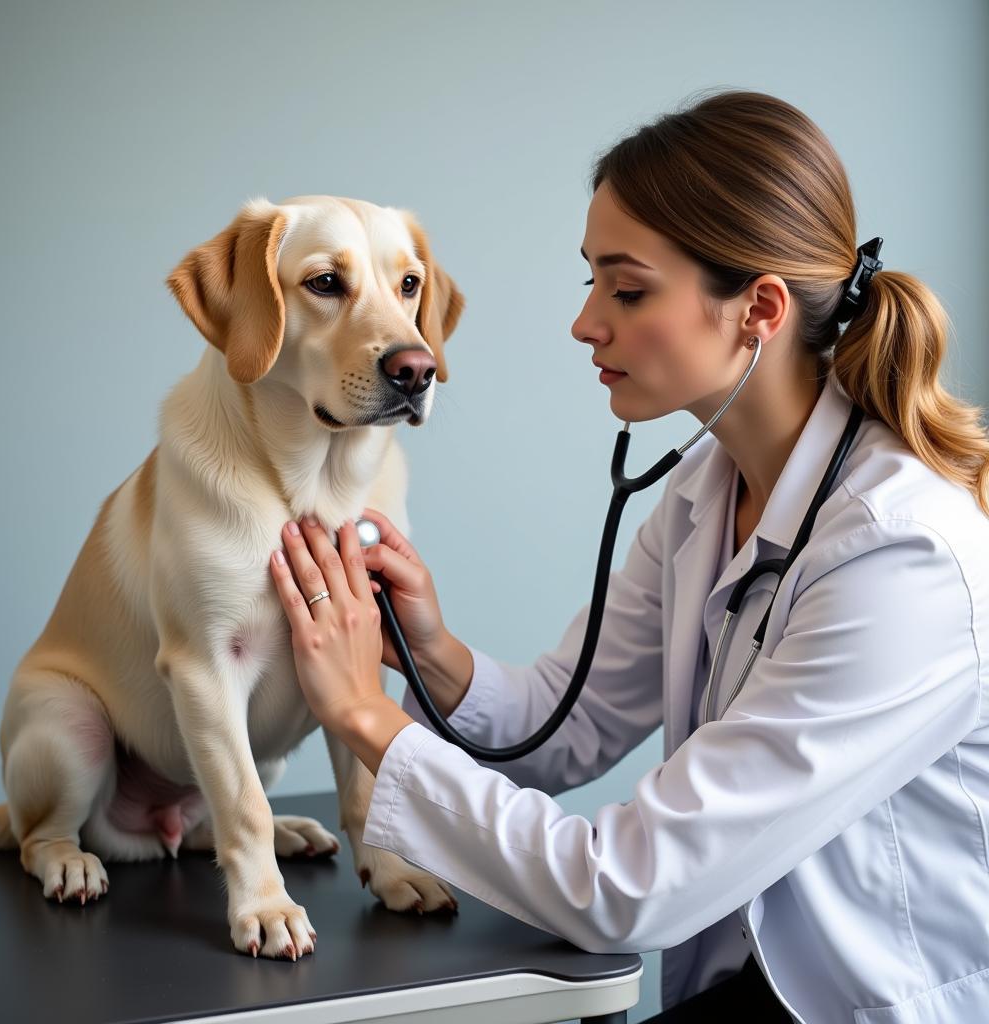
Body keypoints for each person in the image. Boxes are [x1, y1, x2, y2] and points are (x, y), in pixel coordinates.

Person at [267, 90, 989, 1023]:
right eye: (590, 283)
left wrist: (365, 714)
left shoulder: (903, 559)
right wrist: (430, 651)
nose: (586, 324)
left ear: (757, 309)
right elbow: (565, 728)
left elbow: (625, 890)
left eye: (628, 289)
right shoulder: (705, 491)